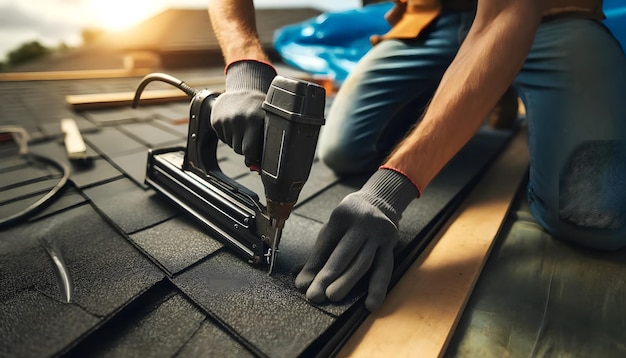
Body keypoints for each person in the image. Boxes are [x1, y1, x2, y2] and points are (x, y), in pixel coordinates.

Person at [208, 0, 626, 311]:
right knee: (342, 151)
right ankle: (453, 102)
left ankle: (490, 95)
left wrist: (389, 191)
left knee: (594, 218)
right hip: (430, 19)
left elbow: (504, 14)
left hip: (546, 15)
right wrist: (246, 68)